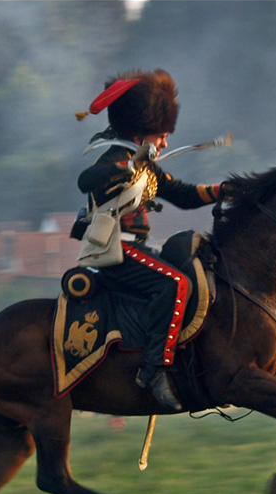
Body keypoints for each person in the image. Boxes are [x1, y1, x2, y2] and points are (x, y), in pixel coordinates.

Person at [74, 69, 227, 411]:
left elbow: (184, 195)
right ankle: (154, 370)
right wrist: (129, 164)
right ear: (142, 131)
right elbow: (87, 180)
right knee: (176, 285)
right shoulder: (115, 157)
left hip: (136, 248)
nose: (165, 143)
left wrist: (227, 190)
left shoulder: (145, 163)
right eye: (161, 135)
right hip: (117, 251)